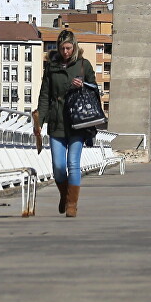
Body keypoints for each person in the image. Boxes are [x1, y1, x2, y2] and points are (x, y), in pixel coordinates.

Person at [33, 29, 97, 217]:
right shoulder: (51, 68)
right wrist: (39, 121)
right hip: (56, 121)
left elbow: (95, 91)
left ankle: (72, 204)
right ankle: (65, 195)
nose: (66, 52)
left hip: (77, 122)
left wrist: (83, 85)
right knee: (58, 167)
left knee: (73, 163)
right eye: (62, 48)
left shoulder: (84, 65)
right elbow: (45, 95)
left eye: (69, 48)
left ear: (75, 47)